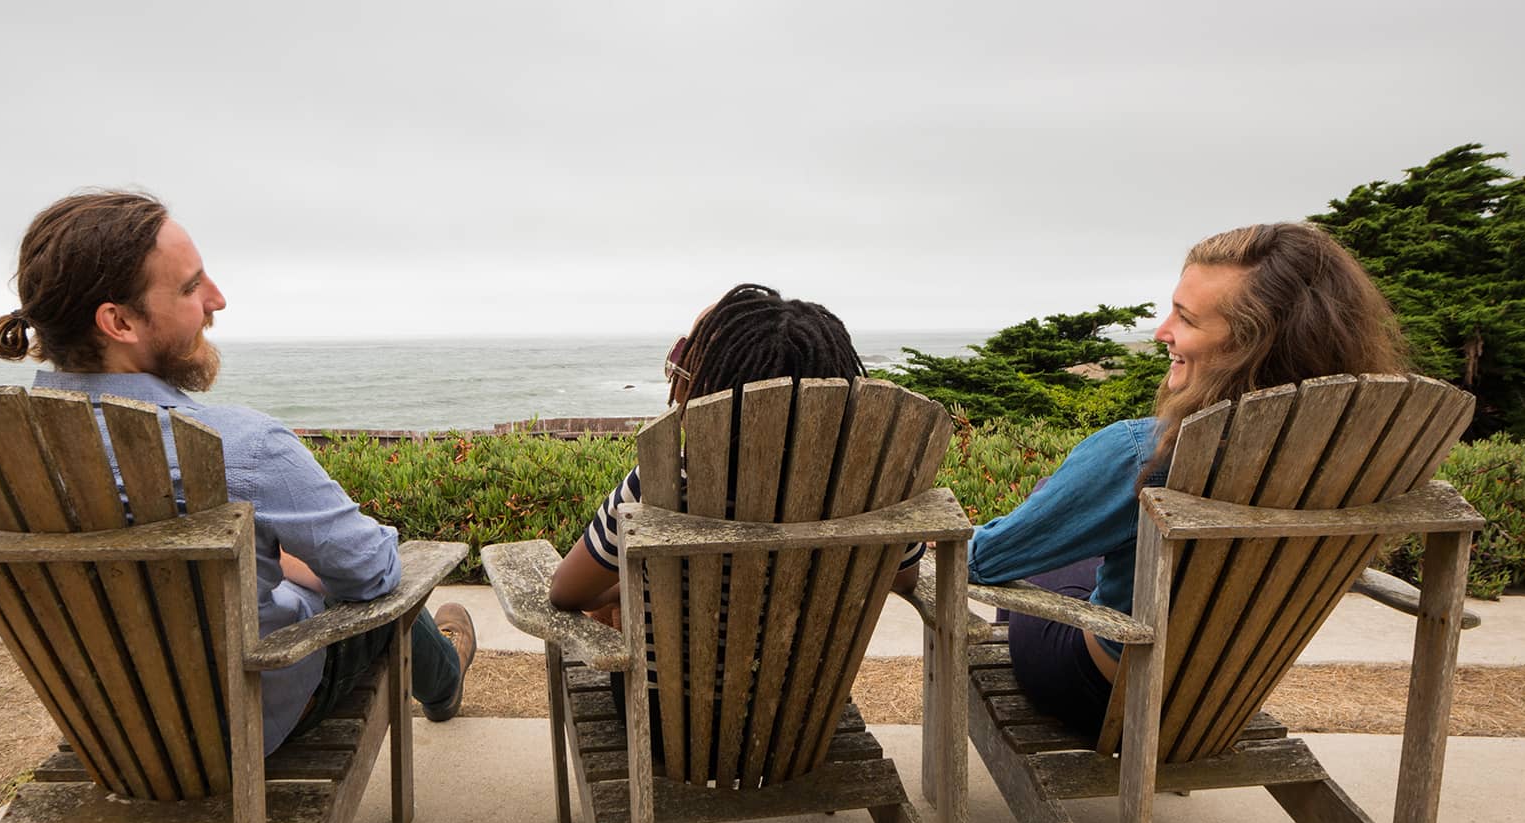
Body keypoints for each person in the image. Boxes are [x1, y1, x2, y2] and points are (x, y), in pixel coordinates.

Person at [0, 190, 473, 756]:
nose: (218, 299)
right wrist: (306, 568)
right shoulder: (238, 446)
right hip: (245, 716)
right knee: (382, 595)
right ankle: (446, 681)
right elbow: (372, 574)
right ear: (118, 322)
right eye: (190, 287)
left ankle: (442, 672)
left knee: (298, 573)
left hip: (111, 731)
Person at [967, 222, 1410, 736]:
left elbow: (986, 564)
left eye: (1186, 317)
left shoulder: (1144, 454)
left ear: (1251, 344)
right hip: (1229, 692)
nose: (1161, 332)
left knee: (1053, 500)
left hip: (1099, 693)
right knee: (1100, 526)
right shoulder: (1355, 453)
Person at [548, 283, 924, 742]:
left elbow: (567, 592)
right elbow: (902, 577)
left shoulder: (661, 485)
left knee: (617, 609)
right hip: (801, 726)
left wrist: (626, 592)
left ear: (703, 385)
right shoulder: (876, 488)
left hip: (669, 733)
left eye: (687, 355)